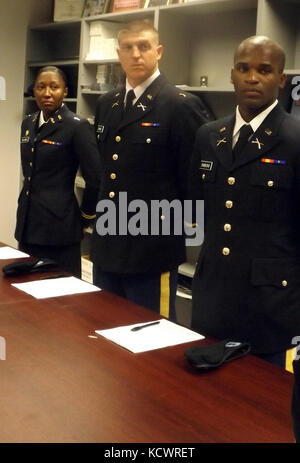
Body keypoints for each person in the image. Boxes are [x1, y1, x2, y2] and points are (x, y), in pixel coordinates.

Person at [189, 35, 300, 369]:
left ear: (281, 79)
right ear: (232, 75)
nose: (252, 77)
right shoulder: (209, 135)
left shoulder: (294, 140)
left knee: (258, 409)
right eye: (244, 68)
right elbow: (198, 204)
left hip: (268, 303)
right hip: (213, 295)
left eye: (264, 70)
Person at [91, 20, 208, 318]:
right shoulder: (108, 103)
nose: (136, 55)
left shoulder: (180, 105)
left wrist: (176, 232)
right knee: (103, 330)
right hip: (108, 242)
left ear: (159, 51)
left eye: (143, 47)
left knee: (149, 340)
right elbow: (108, 172)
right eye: (128, 48)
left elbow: (193, 180)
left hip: (152, 248)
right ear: (119, 54)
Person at [15, 66, 101, 277]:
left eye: (54, 87)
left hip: (60, 227)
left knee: (60, 299)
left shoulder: (76, 126)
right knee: (27, 294)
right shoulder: (28, 123)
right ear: (33, 90)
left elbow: (96, 180)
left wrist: (84, 218)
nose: (47, 93)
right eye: (41, 87)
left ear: (65, 91)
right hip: (29, 224)